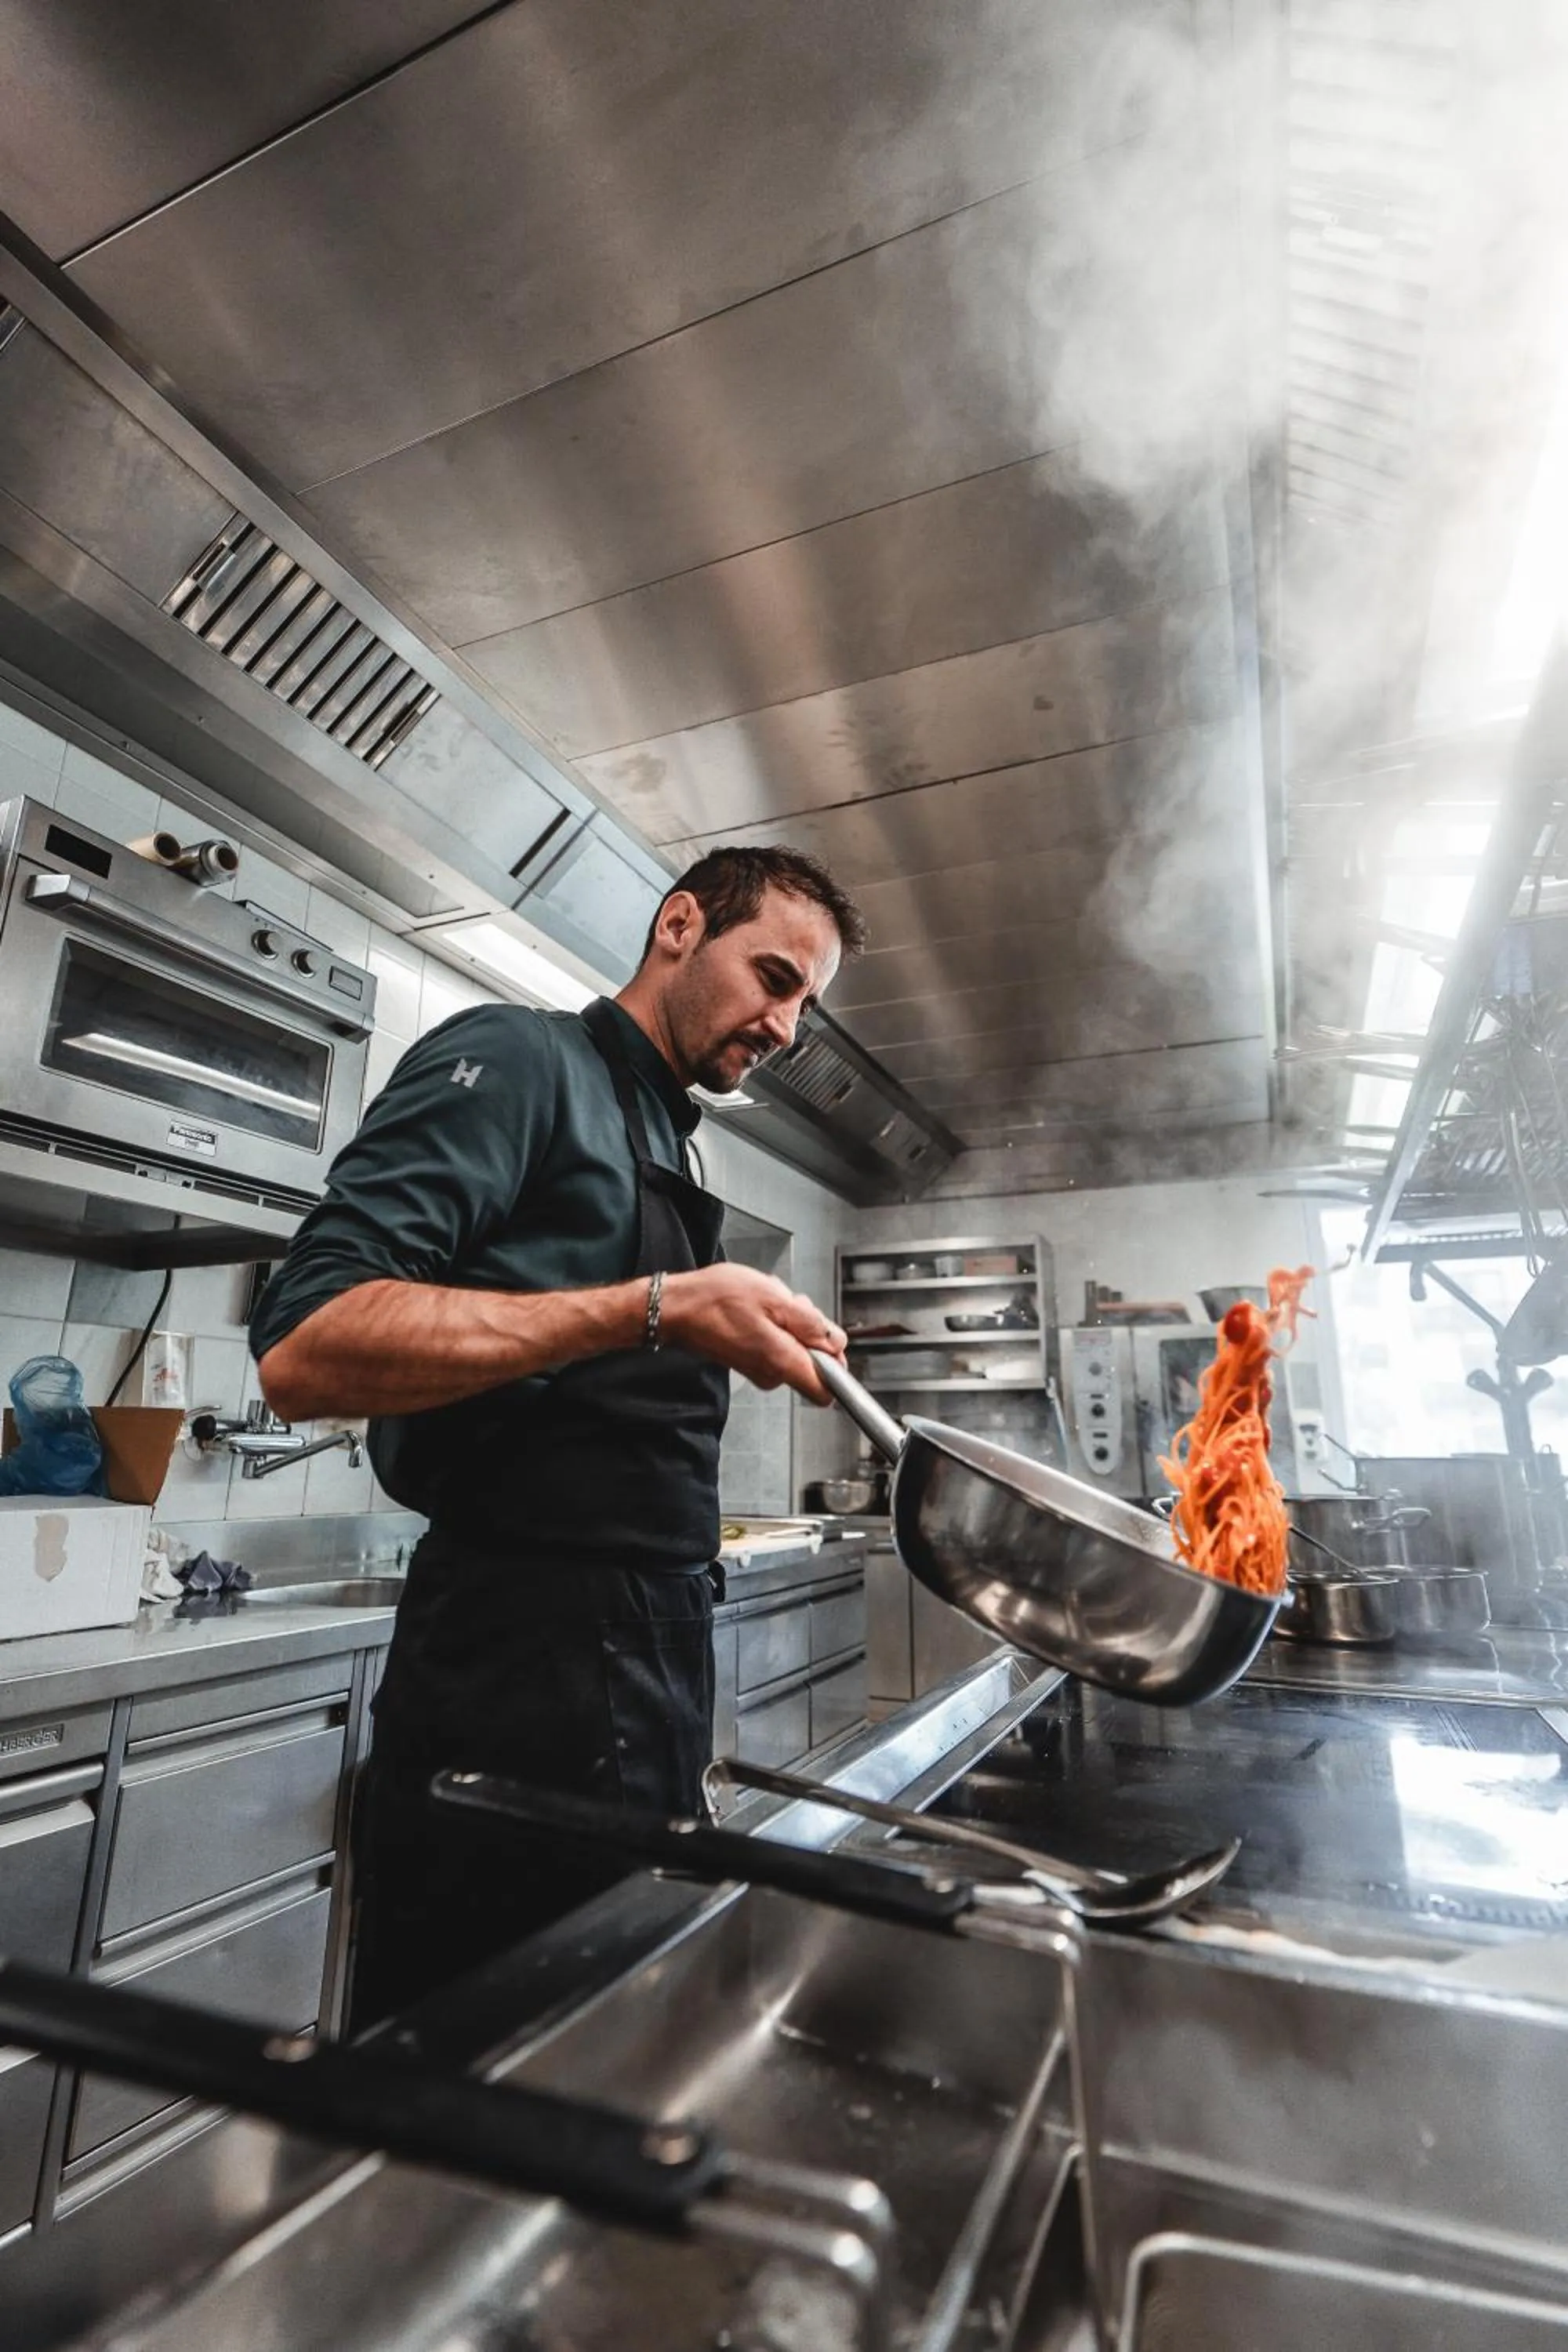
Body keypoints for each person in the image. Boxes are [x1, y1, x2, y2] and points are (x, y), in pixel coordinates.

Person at [249, 844, 866, 2026]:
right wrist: (657, 1306)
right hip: (514, 1681)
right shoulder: (526, 1061)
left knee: (603, 2048)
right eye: (774, 976)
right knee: (471, 2081)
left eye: (805, 1004)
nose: (785, 1026)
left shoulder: (672, 1135)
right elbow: (304, 1344)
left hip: (647, 1669)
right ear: (679, 925)